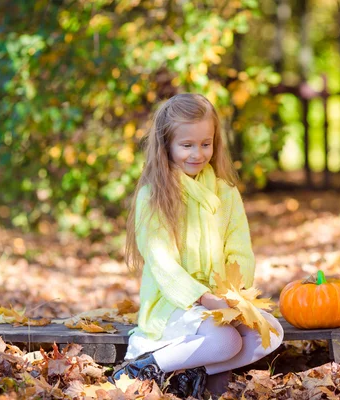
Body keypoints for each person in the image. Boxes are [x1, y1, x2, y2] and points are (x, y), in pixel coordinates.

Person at [112, 93, 283, 398]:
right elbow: (163, 264)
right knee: (227, 342)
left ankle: (190, 372)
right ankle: (144, 367)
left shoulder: (226, 193)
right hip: (176, 304)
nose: (198, 153)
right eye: (187, 145)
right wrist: (204, 298)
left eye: (206, 143)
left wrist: (234, 294)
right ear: (166, 145)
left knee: (269, 334)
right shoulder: (154, 196)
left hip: (218, 301)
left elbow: (239, 250)